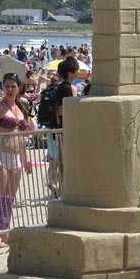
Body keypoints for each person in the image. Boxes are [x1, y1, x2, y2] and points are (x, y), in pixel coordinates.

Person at [0, 73, 35, 247]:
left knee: (9, 198)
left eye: (13, 86)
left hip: (16, 158)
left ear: (19, 88)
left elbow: (22, 138)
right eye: (6, 86)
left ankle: (4, 232)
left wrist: (26, 159)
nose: (10, 89)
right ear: (2, 88)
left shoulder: (20, 109)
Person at [46, 56, 79, 198]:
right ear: (71, 72)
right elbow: (61, 110)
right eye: (76, 70)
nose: (78, 72)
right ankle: (63, 191)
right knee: (65, 162)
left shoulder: (58, 87)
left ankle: (59, 189)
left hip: (56, 129)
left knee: (58, 161)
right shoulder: (68, 88)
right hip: (65, 130)